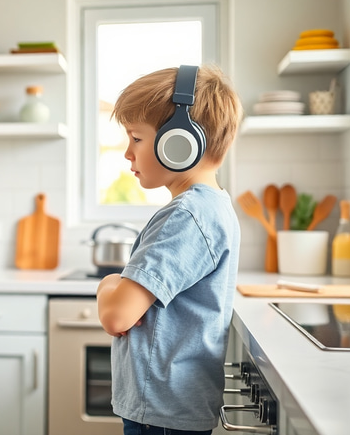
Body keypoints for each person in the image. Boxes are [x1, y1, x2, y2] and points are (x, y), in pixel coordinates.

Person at [96, 64, 243, 435]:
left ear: (180, 141)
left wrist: (109, 283)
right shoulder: (211, 207)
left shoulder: (188, 215)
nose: (127, 153)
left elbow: (116, 316)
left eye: (136, 138)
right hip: (169, 408)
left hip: (160, 413)